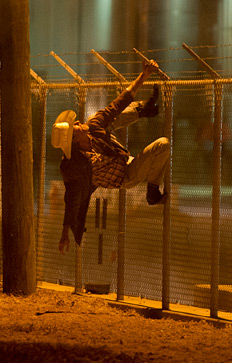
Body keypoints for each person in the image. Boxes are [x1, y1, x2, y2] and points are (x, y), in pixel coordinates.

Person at [51, 60, 169, 252]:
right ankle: (153, 191)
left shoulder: (91, 128)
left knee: (103, 119)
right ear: (73, 140)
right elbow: (71, 199)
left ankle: (143, 109)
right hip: (126, 176)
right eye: (75, 126)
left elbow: (117, 105)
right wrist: (65, 233)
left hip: (121, 157)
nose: (78, 123)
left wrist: (144, 75)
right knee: (163, 144)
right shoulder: (72, 165)